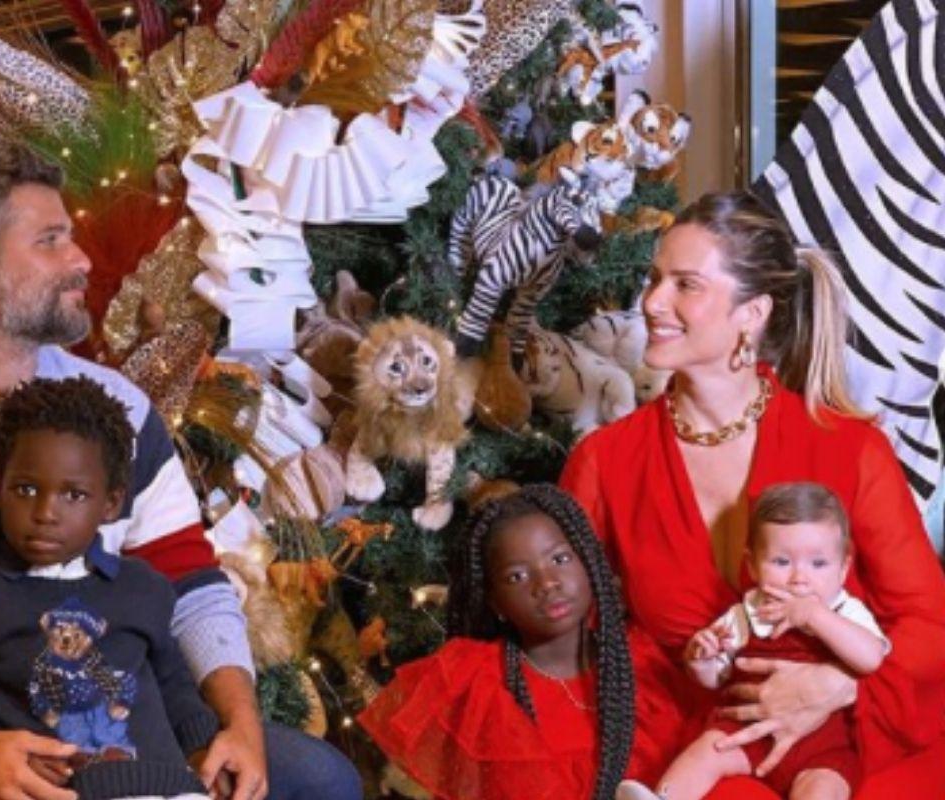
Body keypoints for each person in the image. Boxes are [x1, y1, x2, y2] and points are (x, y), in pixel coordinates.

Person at [0, 145, 362, 800]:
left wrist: (240, 720)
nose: (81, 259)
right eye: (51, 240)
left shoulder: (119, 411)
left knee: (318, 778)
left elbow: (193, 589)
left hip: (117, 725)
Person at [560, 191, 945, 799]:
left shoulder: (849, 448)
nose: (652, 302)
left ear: (752, 313)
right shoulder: (605, 462)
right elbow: (564, 630)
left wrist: (839, 686)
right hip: (686, 745)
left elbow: (929, 621)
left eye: (686, 285)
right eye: (655, 280)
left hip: (849, 739)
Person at [0, 376, 221, 799]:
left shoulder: (143, 588)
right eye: (26, 489)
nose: (45, 513)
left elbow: (176, 687)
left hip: (170, 789)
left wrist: (203, 750)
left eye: (73, 495)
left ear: (111, 504)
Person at [358, 484, 687, 800]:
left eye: (559, 559)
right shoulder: (481, 686)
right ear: (495, 602)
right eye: (517, 576)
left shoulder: (641, 663)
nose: (547, 584)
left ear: (589, 561)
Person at [618, 482, 889, 800]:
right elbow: (715, 679)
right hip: (746, 733)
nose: (799, 578)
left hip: (820, 747)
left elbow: (871, 657)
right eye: (781, 562)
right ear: (752, 566)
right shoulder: (747, 613)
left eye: (818, 564)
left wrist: (815, 616)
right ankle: (666, 796)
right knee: (707, 750)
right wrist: (702, 661)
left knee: (824, 789)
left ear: (843, 569)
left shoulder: (844, 611)